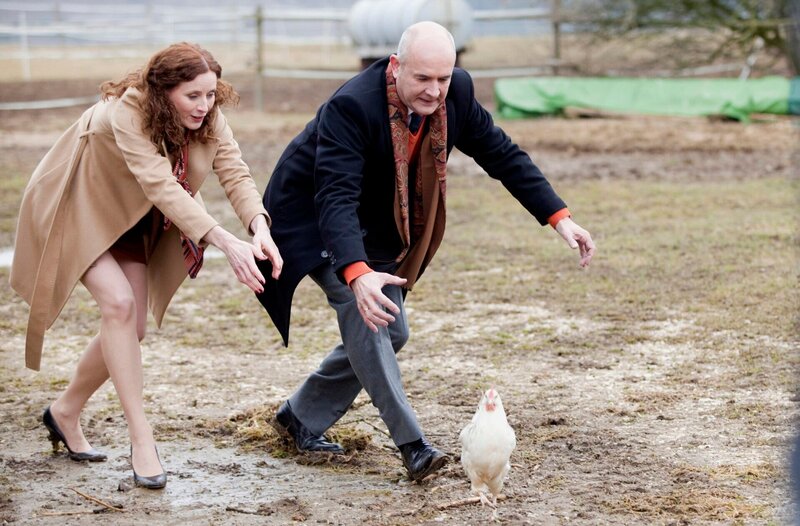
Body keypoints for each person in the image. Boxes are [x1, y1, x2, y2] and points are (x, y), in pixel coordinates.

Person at [255, 21, 595, 481]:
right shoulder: (351, 106)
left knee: (392, 333)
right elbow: (334, 195)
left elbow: (501, 153)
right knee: (370, 316)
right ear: (395, 67)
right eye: (423, 78)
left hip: (372, 219)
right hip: (311, 220)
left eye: (444, 78)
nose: (435, 91)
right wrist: (356, 272)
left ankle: (299, 416)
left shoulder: (456, 96)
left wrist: (560, 217)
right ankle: (413, 445)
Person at [10, 42, 283, 490]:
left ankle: (63, 412)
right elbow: (161, 184)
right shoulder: (127, 113)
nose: (204, 105)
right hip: (77, 206)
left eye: (211, 94)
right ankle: (143, 440)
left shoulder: (209, 117)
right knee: (117, 306)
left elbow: (235, 172)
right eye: (192, 96)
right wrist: (220, 239)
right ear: (163, 91)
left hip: (131, 216)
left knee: (131, 325)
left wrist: (259, 226)